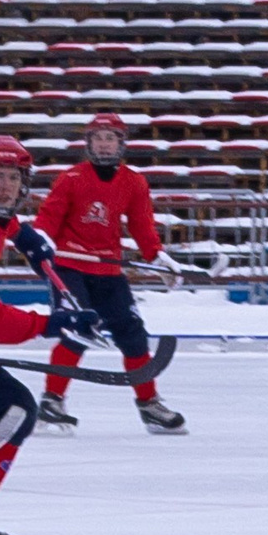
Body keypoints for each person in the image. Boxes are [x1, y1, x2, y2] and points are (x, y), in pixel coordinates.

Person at [31, 111, 186, 435]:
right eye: (98, 139)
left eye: (110, 138)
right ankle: (52, 401)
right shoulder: (71, 179)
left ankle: (149, 405)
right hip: (70, 267)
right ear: (89, 144)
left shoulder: (133, 181)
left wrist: (158, 257)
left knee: (133, 334)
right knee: (77, 330)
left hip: (108, 269)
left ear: (121, 144)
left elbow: (143, 227)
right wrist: (40, 244)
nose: (104, 145)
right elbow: (48, 220)